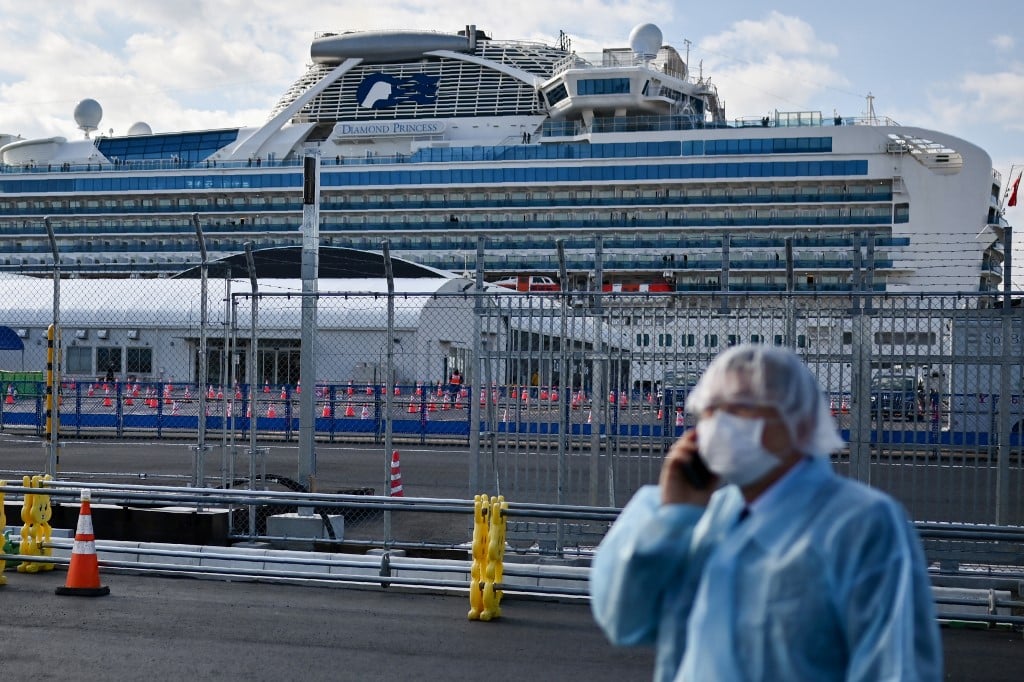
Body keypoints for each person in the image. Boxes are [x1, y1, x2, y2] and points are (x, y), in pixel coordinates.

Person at [590, 344, 942, 681]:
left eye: (742, 408)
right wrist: (672, 516)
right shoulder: (708, 516)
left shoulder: (862, 524)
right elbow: (625, 622)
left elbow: (896, 668)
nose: (718, 425)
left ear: (800, 423)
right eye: (710, 410)